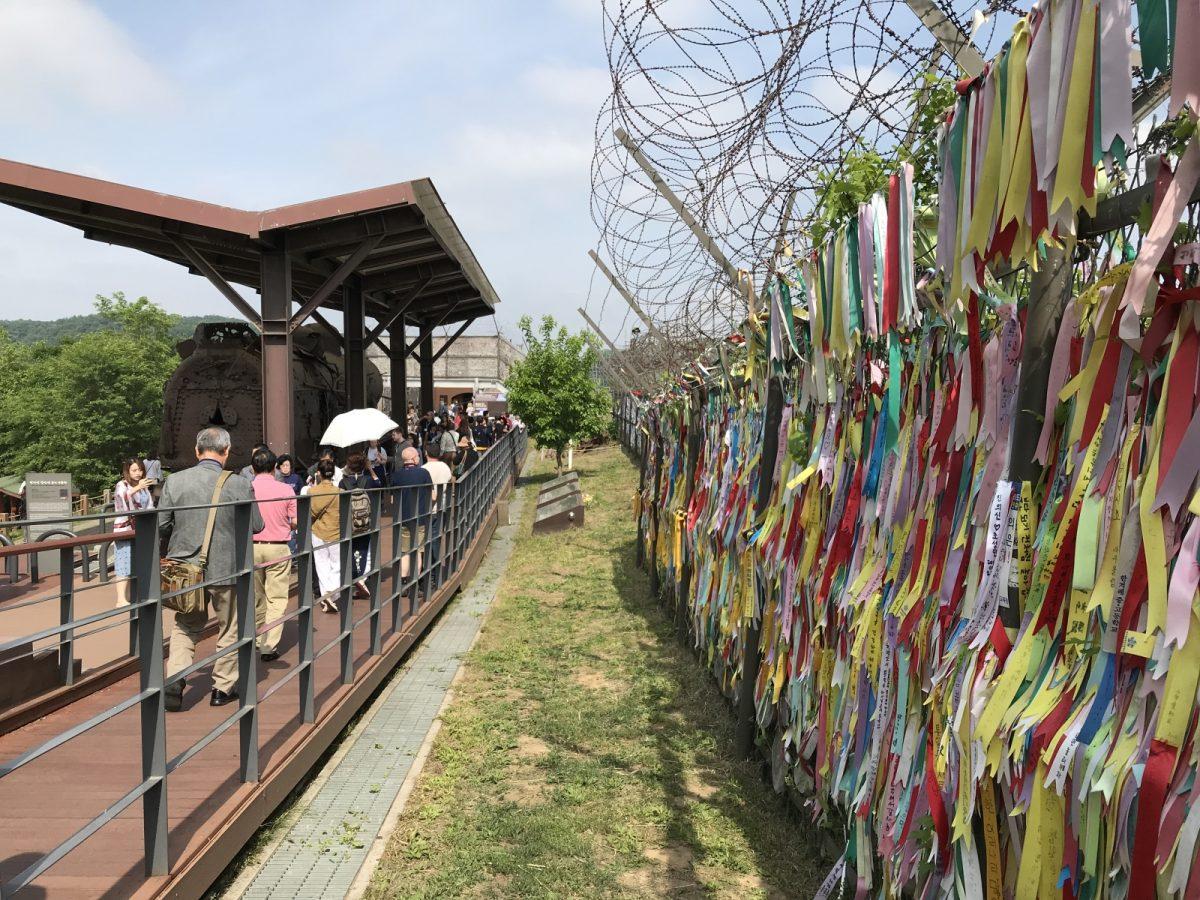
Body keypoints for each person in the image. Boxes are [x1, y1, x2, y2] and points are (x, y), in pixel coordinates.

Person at [159, 426, 264, 712]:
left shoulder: (175, 481)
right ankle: (222, 687)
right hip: (226, 568)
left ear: (197, 451)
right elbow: (257, 525)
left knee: (185, 624)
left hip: (185, 570)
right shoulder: (239, 484)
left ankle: (175, 677)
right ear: (226, 451)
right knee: (230, 626)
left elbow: (162, 525)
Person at [250, 448, 296, 662]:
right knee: (276, 599)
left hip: (252, 547)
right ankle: (269, 646)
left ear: (253, 468)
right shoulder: (286, 489)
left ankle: (259, 639)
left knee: (257, 596)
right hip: (278, 546)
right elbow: (295, 521)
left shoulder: (247, 488)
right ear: (274, 468)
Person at [112, 457, 155, 607]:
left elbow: (149, 505)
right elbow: (120, 501)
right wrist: (137, 488)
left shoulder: (143, 486)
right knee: (123, 561)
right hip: (125, 528)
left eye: (140, 470)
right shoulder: (122, 484)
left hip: (140, 528)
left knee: (137, 561)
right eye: (134, 470)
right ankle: (121, 598)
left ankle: (132, 595)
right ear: (127, 471)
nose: (138, 473)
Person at [340, 451, 381, 598]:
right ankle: (361, 578)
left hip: (348, 522)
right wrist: (371, 469)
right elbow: (379, 484)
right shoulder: (368, 480)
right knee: (363, 549)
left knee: (349, 548)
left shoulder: (343, 482)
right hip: (366, 521)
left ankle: (353, 576)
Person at [390, 447, 432, 584]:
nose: (419, 458)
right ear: (414, 458)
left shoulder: (396, 475)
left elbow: (393, 499)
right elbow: (432, 495)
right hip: (420, 516)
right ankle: (416, 581)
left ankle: (403, 580)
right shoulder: (423, 473)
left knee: (405, 551)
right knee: (418, 550)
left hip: (403, 517)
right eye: (418, 456)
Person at [308, 458, 341, 612]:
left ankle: (325, 595)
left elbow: (310, 513)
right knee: (336, 565)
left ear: (319, 473)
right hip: (336, 531)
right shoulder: (339, 492)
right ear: (333, 474)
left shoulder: (312, 491)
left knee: (321, 566)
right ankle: (332, 594)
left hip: (318, 532)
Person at [422, 444, 453, 588]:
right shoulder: (445, 467)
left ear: (426, 453)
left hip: (428, 508)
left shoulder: (424, 469)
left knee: (428, 541)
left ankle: (432, 574)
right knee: (437, 539)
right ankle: (434, 573)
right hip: (443, 506)